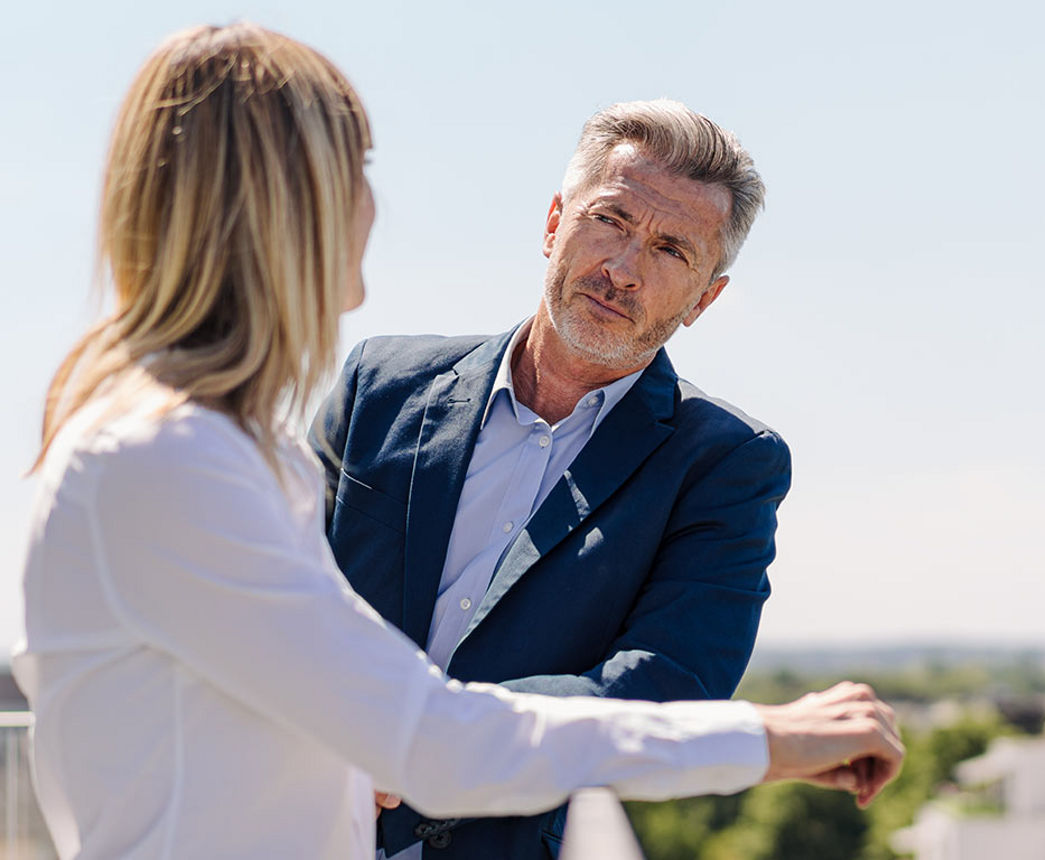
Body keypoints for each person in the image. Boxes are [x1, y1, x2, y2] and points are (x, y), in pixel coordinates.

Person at [13, 22, 903, 860]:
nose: (375, 200)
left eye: (669, 249)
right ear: (291, 211)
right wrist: (765, 737)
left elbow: (335, 695)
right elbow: (422, 736)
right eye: (357, 167)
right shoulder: (169, 462)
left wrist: (390, 729)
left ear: (707, 294)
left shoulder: (231, 451)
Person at [313, 98, 789, 859]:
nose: (623, 270)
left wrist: (420, 737)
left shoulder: (728, 463)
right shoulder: (382, 384)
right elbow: (282, 583)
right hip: (288, 817)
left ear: (705, 299)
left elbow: (662, 689)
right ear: (553, 223)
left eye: (671, 250)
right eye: (611, 221)